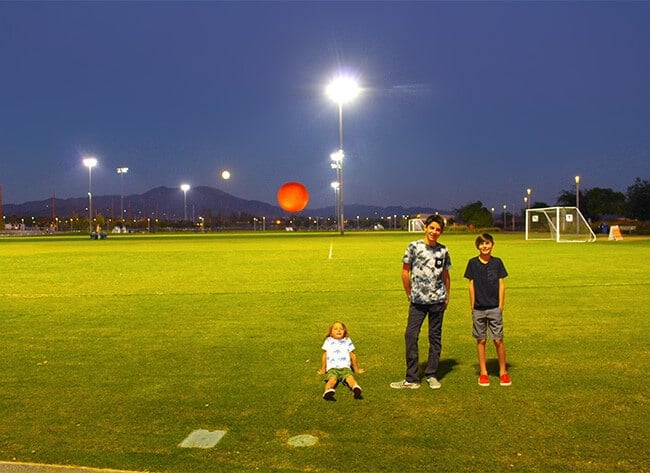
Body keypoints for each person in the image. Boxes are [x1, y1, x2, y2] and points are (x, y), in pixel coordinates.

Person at [391, 214, 451, 390]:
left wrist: (447, 295)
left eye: (438, 229)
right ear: (425, 227)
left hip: (437, 301)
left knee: (435, 338)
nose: (434, 232)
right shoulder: (414, 247)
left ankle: (431, 374)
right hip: (417, 302)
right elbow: (405, 272)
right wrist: (409, 294)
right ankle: (412, 378)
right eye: (431, 228)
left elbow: (446, 275)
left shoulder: (443, 250)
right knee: (411, 335)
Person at [463, 233, 512, 387]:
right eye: (481, 244)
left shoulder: (497, 262)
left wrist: (501, 305)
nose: (484, 246)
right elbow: (471, 284)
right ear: (477, 246)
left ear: (492, 245)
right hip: (478, 308)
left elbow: (501, 283)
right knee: (481, 340)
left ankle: (503, 372)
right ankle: (483, 373)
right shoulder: (472, 263)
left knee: (498, 340)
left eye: (487, 243)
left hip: (494, 308)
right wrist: (472, 306)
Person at [318, 321, 364, 400]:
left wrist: (356, 369)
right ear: (331, 332)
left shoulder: (347, 340)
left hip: (345, 368)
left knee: (350, 378)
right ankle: (327, 391)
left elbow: (352, 355)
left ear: (344, 331)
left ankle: (355, 388)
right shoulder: (328, 340)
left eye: (341, 329)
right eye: (335, 329)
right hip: (332, 368)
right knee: (332, 380)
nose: (339, 330)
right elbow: (325, 355)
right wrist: (323, 369)